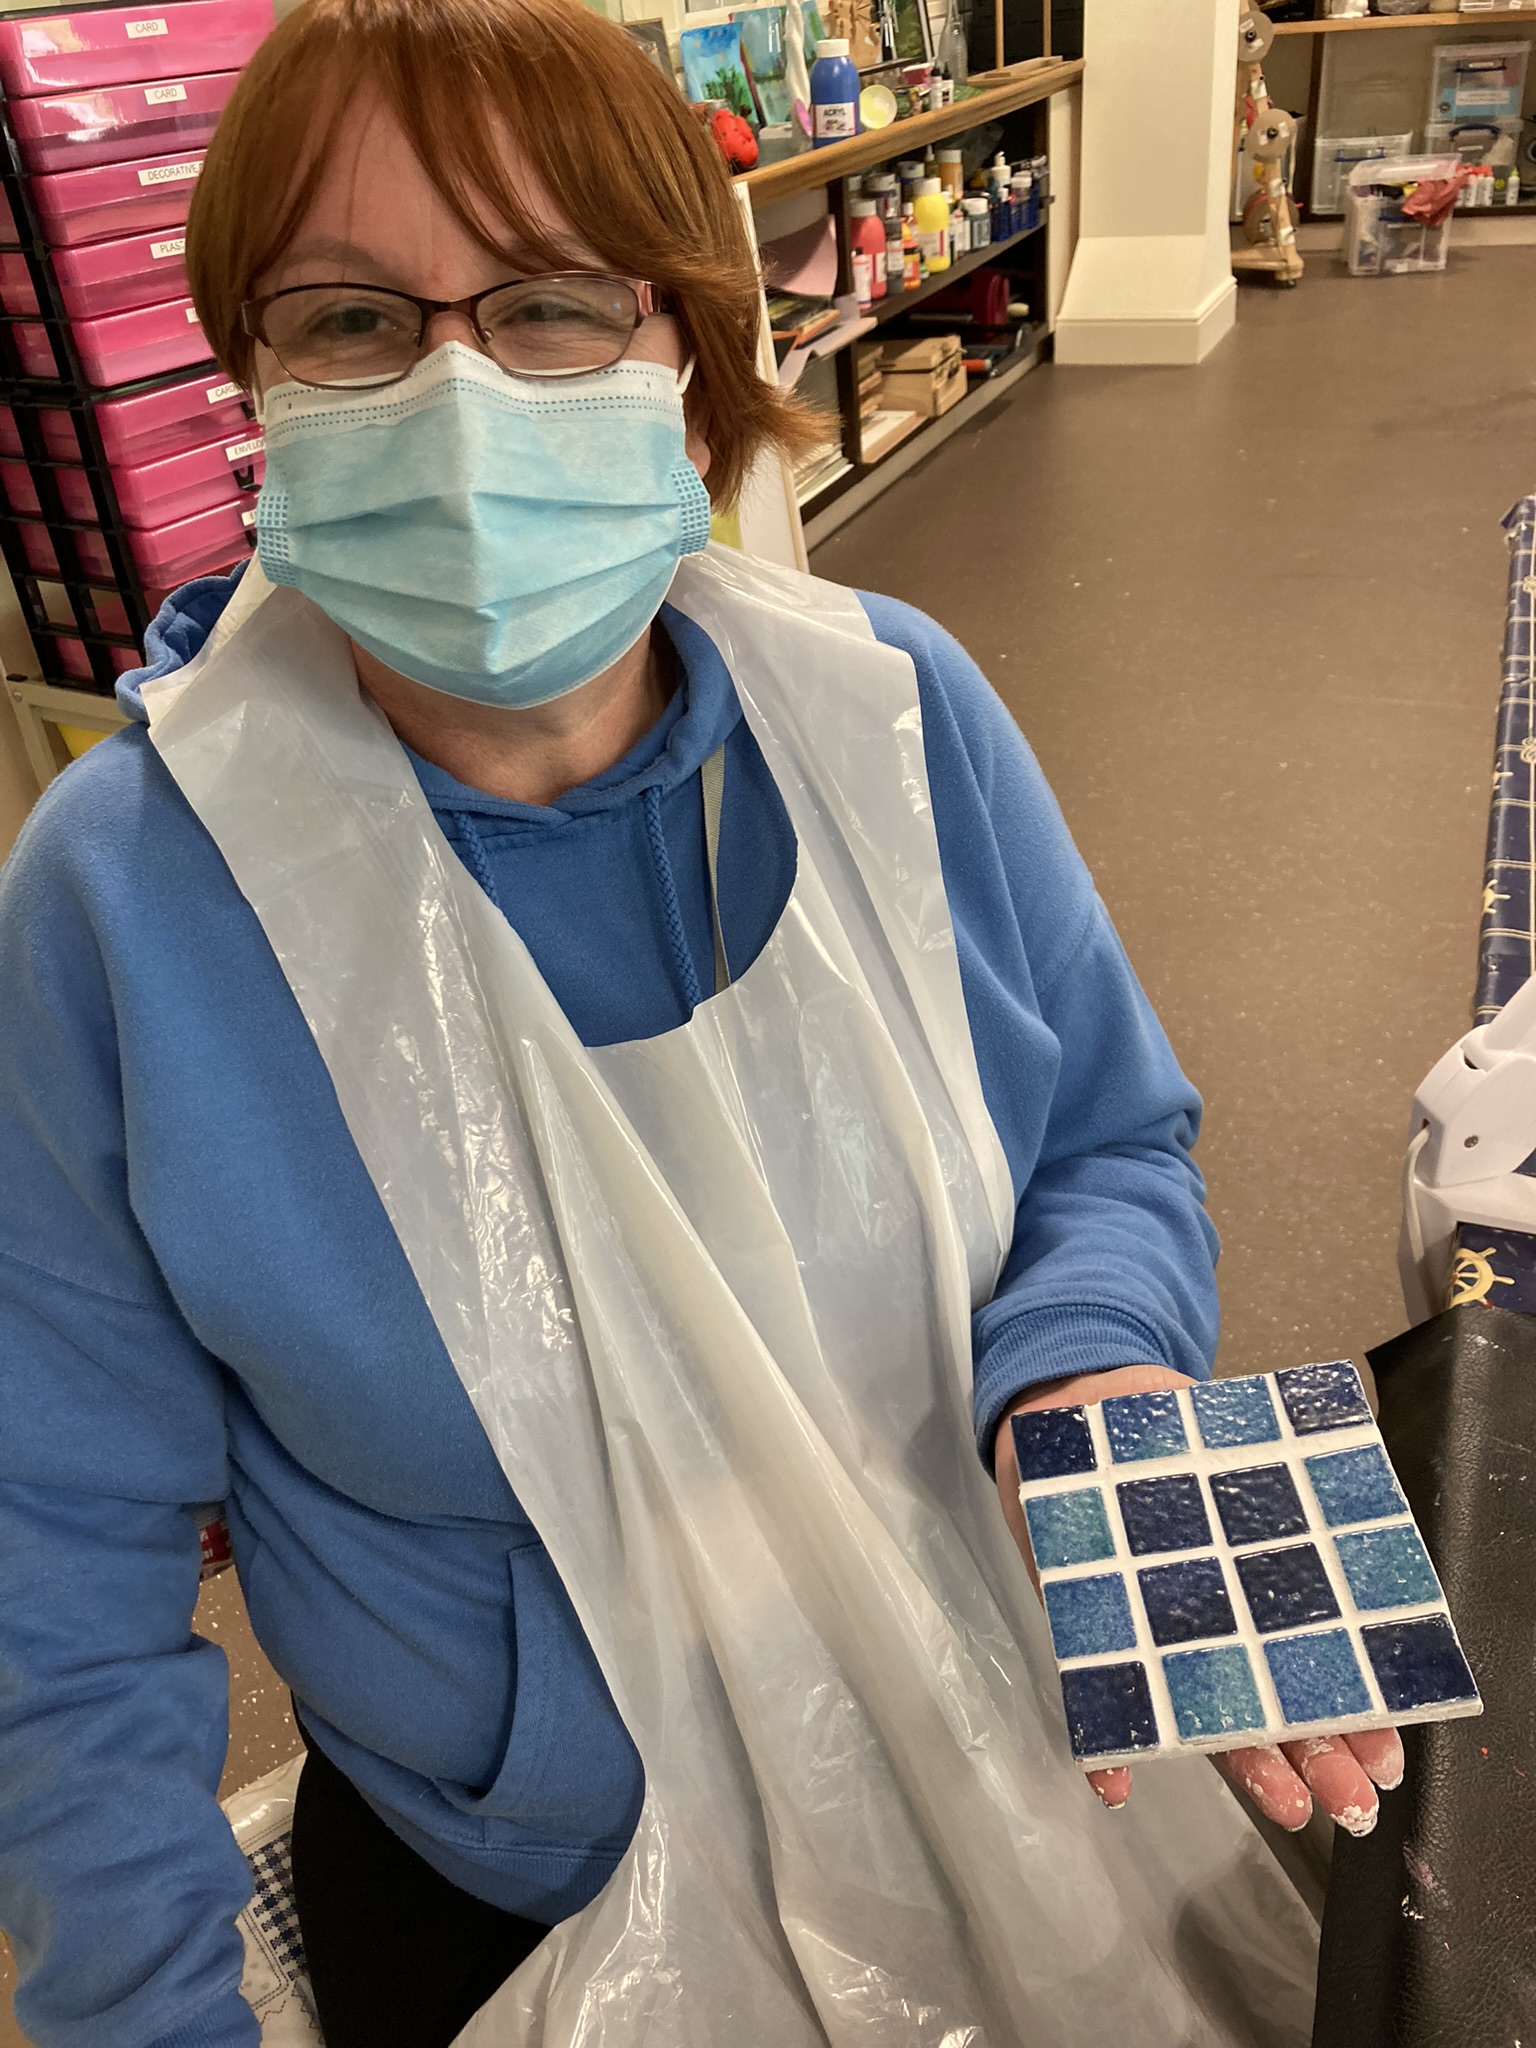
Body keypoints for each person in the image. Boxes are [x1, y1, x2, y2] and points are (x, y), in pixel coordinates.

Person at [0, 2, 1400, 2044]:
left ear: (688, 354)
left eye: (555, 306)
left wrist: (1087, 1370)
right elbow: (55, 1546)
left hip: (993, 1742)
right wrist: (142, 2012)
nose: (461, 395)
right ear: (254, 382)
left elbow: (1108, 1138)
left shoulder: (895, 722)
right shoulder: (130, 897)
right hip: (524, 1875)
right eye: (355, 322)